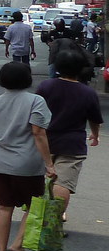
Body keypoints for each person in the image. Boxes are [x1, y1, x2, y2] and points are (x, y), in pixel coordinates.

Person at [0, 61, 56, 251]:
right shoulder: (36, 101)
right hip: (26, 164)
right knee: (33, 206)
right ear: (27, 79)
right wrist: (49, 163)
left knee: (4, 207)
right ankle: (17, 245)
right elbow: (38, 133)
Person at [36, 50, 102, 224]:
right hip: (72, 144)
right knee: (63, 183)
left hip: (44, 140)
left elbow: (35, 113)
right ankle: (54, 219)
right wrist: (95, 135)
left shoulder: (45, 86)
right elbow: (94, 119)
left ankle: (37, 216)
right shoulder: (88, 93)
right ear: (80, 69)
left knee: (42, 178)